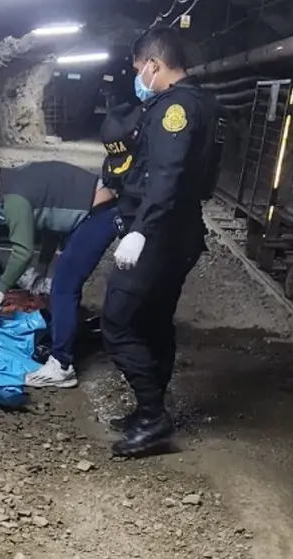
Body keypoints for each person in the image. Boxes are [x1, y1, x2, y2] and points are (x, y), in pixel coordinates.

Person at [101, 27, 225, 457]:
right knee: (153, 320)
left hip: (160, 234)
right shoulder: (201, 102)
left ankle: (153, 418)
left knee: (117, 321)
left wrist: (140, 230)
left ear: (153, 65)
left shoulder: (175, 109)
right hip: (180, 231)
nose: (137, 77)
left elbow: (166, 176)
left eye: (139, 68)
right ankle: (147, 409)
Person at [0, 159, 123, 388]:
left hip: (100, 214)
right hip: (96, 209)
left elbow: (22, 251)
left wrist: (0, 291)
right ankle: (64, 344)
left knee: (64, 288)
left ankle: (62, 365)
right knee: (61, 283)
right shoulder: (19, 178)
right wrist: (43, 269)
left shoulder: (13, 198)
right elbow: (51, 224)